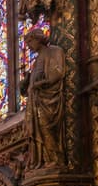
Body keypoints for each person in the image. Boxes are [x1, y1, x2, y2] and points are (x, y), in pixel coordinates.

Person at [20, 28, 65, 170]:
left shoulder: (54, 51)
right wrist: (27, 81)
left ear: (38, 39)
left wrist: (39, 83)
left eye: (30, 43)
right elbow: (26, 90)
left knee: (46, 128)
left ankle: (55, 159)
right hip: (36, 102)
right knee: (38, 131)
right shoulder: (37, 59)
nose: (29, 47)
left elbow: (57, 73)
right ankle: (43, 160)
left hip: (48, 101)